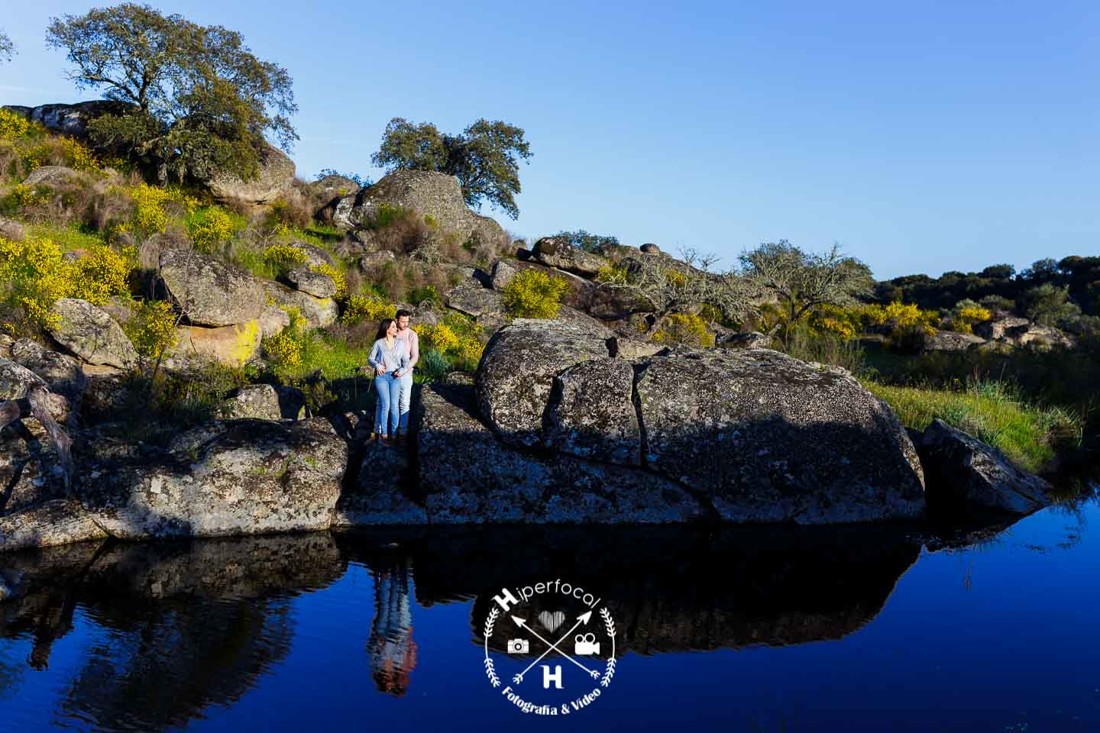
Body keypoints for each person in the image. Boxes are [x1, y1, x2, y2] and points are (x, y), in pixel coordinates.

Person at [368, 318, 410, 445]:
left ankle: (394, 434)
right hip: (381, 377)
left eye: (395, 326)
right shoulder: (379, 343)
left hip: (395, 377)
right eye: (393, 326)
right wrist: (377, 365)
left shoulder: (400, 344)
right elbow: (370, 358)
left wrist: (402, 370)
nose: (396, 328)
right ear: (387, 329)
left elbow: (406, 362)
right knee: (385, 405)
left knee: (394, 406)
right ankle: (384, 435)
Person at [393, 309, 420, 443]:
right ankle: (388, 431)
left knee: (404, 403)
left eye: (407, 321)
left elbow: (415, 356)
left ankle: (403, 432)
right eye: (403, 321)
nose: (405, 324)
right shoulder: (390, 332)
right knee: (389, 403)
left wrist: (404, 369)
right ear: (396, 320)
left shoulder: (412, 335)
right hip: (390, 373)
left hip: (405, 374)